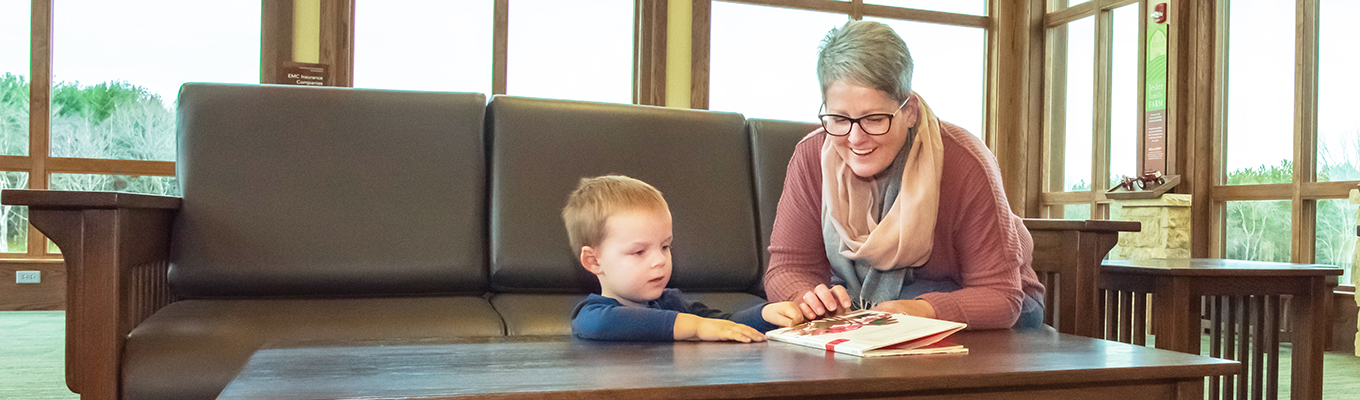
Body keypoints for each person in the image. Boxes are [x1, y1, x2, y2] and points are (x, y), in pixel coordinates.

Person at [763, 20, 1045, 330]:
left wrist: (922, 309)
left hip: (982, 305)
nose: (856, 138)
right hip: (865, 309)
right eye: (839, 119)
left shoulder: (965, 161)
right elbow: (787, 269)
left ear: (909, 111)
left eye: (874, 118)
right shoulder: (810, 156)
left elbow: (1001, 297)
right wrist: (807, 297)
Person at [566, 175, 805, 341]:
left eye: (665, 246)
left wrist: (764, 314)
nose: (659, 260)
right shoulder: (592, 314)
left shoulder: (671, 303)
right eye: (639, 252)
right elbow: (603, 324)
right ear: (594, 261)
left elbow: (724, 323)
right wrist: (697, 327)